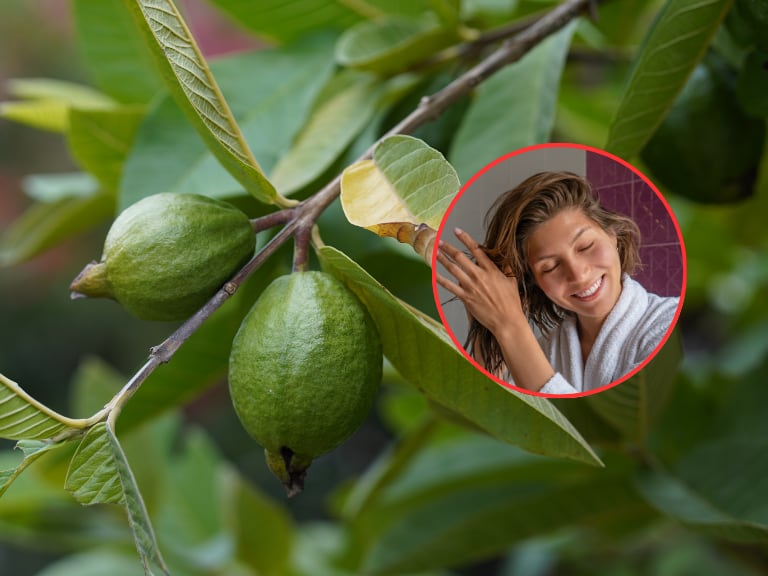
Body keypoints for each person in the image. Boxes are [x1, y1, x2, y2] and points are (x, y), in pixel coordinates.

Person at [436, 171, 679, 394]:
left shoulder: (667, 324)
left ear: (613, 235)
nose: (578, 275)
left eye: (586, 246)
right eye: (550, 267)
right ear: (533, 282)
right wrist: (489, 324)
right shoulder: (547, 352)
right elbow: (501, 417)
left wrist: (509, 323)